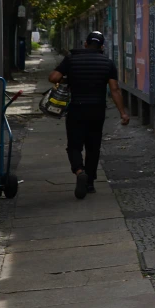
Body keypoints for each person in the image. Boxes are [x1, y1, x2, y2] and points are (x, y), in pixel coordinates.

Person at [47, 31, 130, 199]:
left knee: (74, 146)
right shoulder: (107, 63)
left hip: (76, 109)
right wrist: (123, 113)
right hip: (97, 111)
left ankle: (79, 171)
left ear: (85, 44)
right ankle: (90, 182)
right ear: (101, 47)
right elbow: (114, 90)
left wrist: (67, 79)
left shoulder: (71, 59)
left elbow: (53, 77)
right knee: (93, 147)